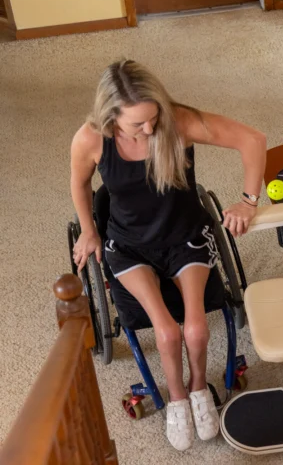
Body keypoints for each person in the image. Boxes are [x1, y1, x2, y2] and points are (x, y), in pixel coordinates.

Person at [70, 59, 267, 451]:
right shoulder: (91, 138)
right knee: (166, 330)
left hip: (184, 237)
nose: (149, 130)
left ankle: (198, 389)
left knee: (195, 328)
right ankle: (177, 397)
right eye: (136, 125)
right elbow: (79, 183)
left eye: (152, 118)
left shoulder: (178, 121)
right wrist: (89, 230)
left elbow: (253, 139)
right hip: (128, 245)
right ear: (111, 119)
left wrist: (248, 201)